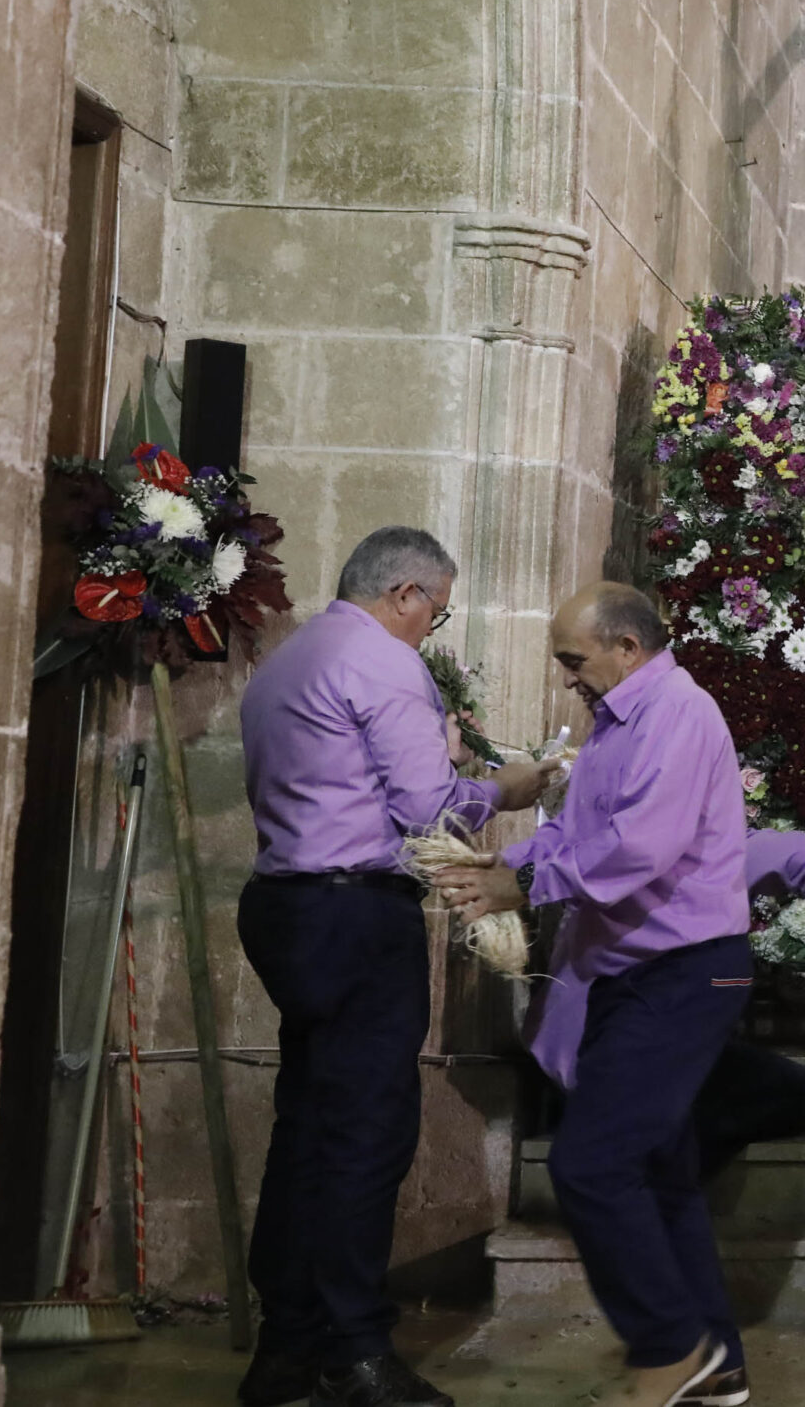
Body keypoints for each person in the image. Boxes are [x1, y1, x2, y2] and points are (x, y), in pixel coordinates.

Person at [235, 526, 557, 1407]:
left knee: (305, 1126)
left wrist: (442, 756)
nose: (431, 630)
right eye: (436, 613)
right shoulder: (382, 661)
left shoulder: (287, 662)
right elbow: (425, 810)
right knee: (365, 1136)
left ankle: (285, 1349)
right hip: (353, 915)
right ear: (404, 593)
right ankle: (354, 1351)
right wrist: (506, 788)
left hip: (283, 906)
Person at [438, 584, 751, 1407]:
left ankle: (670, 1346)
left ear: (627, 647)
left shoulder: (679, 713)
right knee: (659, 1168)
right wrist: (502, 867)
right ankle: (717, 1361)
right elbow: (579, 831)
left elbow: (640, 849)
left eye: (575, 658)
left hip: (690, 968)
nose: (568, 674)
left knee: (591, 1162)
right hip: (634, 969)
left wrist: (529, 882)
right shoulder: (617, 722)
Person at [684, 829, 805, 1177]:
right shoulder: (698, 856)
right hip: (671, 1061)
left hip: (597, 1064)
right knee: (801, 1094)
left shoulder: (603, 859)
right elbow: (804, 856)